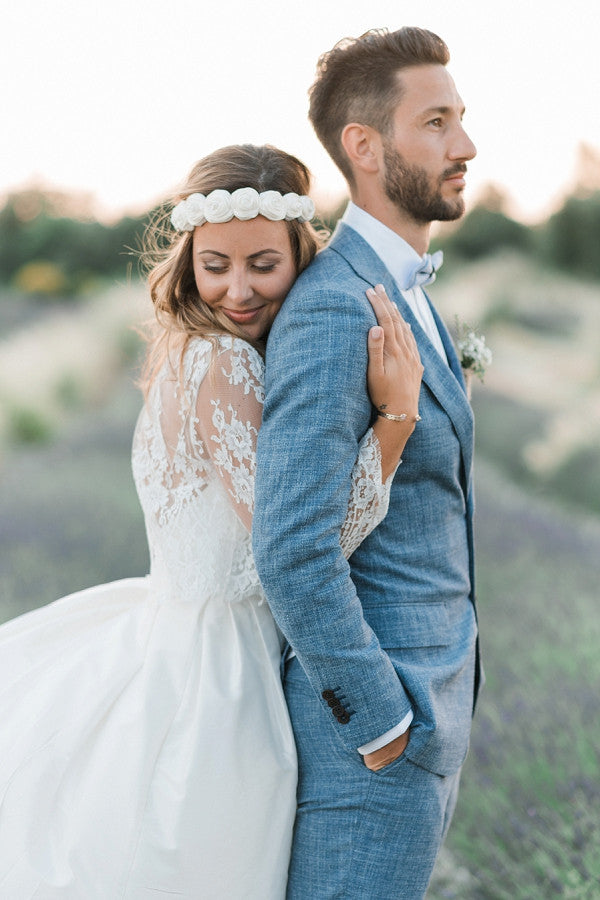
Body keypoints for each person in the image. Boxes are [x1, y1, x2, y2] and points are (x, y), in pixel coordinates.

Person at [0, 144, 423, 898]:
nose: (238, 288)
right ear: (188, 261)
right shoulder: (226, 362)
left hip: (172, 630)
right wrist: (393, 420)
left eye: (263, 264)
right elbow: (291, 541)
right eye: (216, 265)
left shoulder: (187, 351)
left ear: (302, 254)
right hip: (212, 674)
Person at [253, 28, 482, 900]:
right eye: (435, 122)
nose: (463, 145)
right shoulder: (332, 311)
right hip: (377, 741)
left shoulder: (406, 293)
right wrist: (382, 718)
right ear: (365, 145)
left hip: (432, 711)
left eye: (460, 120)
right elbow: (291, 545)